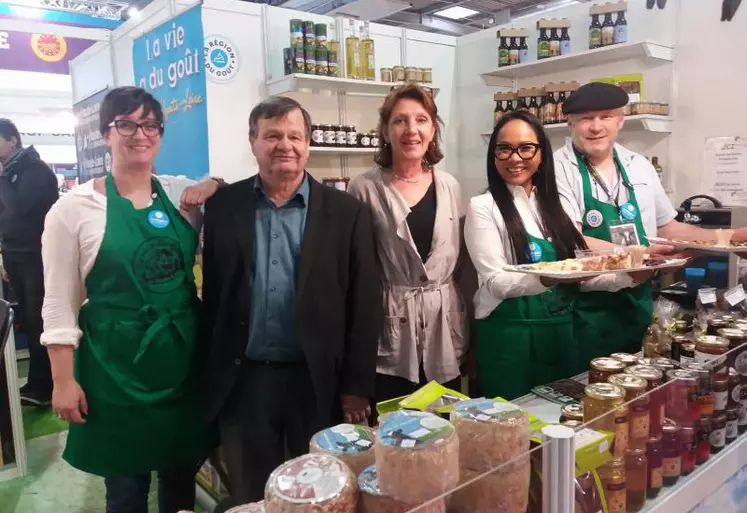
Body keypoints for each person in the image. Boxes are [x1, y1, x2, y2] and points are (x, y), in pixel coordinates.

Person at [40, 86, 219, 513]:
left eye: (150, 124)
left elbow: (220, 187)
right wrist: (63, 380)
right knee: (125, 487)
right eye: (126, 124)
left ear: (160, 132)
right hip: (115, 366)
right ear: (106, 133)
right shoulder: (74, 209)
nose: (139, 134)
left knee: (180, 478)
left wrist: (213, 184)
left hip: (180, 360)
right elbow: (59, 304)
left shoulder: (177, 194)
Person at [201, 96, 381, 504]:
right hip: (244, 381)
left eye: (294, 136)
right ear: (253, 142)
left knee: (320, 492)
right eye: (272, 136)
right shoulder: (223, 208)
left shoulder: (346, 213)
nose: (284, 145)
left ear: (308, 144)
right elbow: (214, 299)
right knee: (252, 492)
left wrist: (356, 387)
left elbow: (365, 304)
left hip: (317, 382)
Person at [554, 82, 747, 363]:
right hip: (583, 306)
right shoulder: (558, 168)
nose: (596, 127)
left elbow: (667, 227)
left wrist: (728, 237)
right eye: (585, 118)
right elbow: (571, 238)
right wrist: (641, 255)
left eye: (605, 116)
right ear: (570, 123)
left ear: (620, 120)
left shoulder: (638, 165)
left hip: (636, 299)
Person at [465, 110, 641, 399]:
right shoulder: (483, 206)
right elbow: (494, 281)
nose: (514, 157)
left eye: (525, 147)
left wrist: (628, 277)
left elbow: (579, 274)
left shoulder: (557, 205)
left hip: (561, 336)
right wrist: (546, 278)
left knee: (563, 423)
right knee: (516, 432)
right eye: (504, 149)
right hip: (511, 340)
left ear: (541, 153)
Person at [347, 84, 470, 406]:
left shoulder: (450, 186)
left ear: (433, 129)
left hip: (445, 324)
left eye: (421, 119)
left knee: (445, 429)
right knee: (395, 432)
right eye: (400, 121)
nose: (411, 130)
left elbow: (461, 265)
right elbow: (354, 272)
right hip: (390, 327)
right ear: (386, 130)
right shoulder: (364, 188)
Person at [0, 119, 58, 406]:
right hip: (16, 256)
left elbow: (18, 210)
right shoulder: (10, 174)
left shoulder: (36, 171)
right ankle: (36, 383)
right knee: (28, 320)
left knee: (40, 322)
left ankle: (46, 386)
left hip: (36, 257)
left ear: (12, 140)